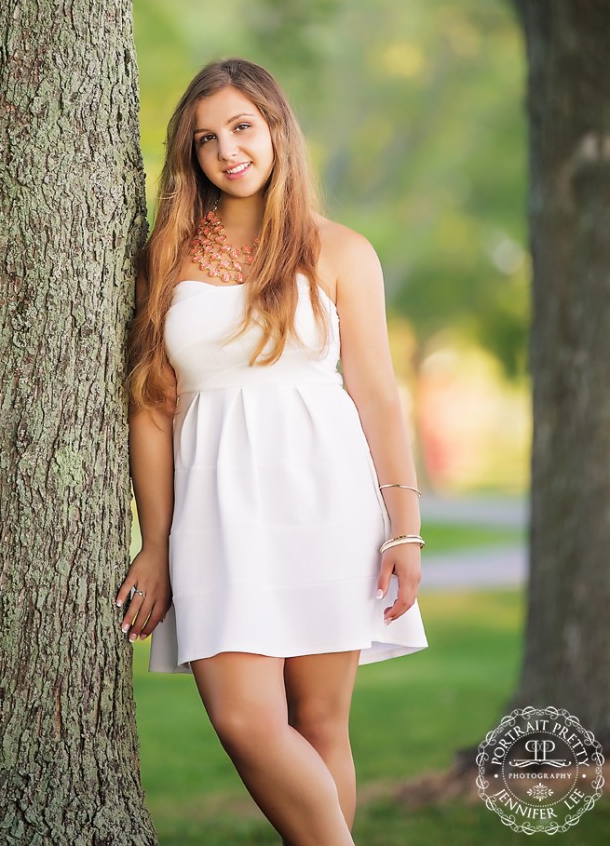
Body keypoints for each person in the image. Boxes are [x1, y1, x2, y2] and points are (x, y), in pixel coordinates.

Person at [116, 58, 428, 846]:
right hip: (217, 516)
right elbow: (153, 407)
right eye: (206, 138)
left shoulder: (341, 251)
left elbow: (379, 397)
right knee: (245, 721)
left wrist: (405, 529)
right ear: (190, 155)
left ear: (277, 130)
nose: (228, 150)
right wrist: (154, 545)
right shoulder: (168, 256)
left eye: (243, 127)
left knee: (322, 722)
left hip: (330, 507)